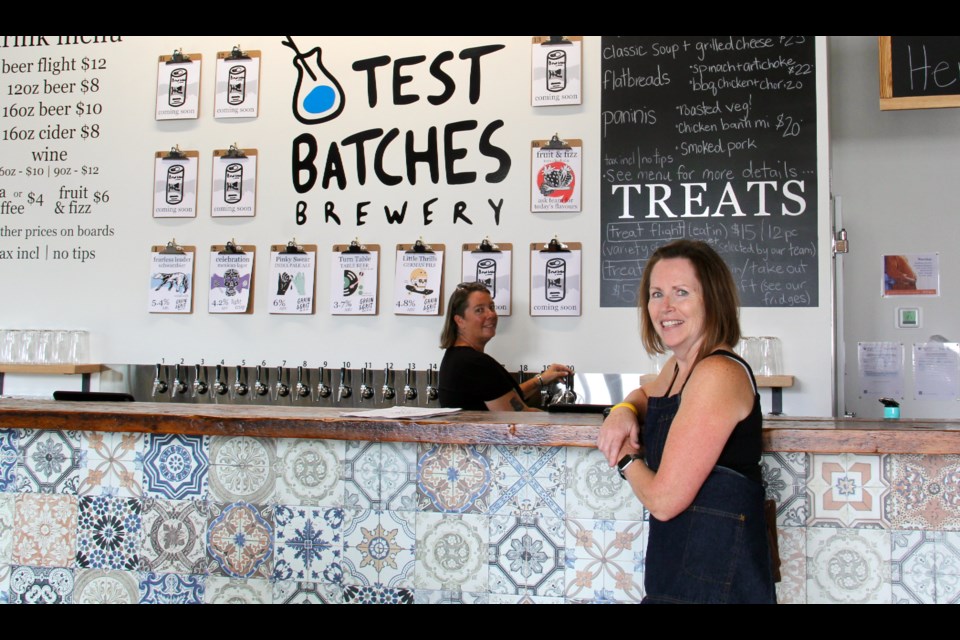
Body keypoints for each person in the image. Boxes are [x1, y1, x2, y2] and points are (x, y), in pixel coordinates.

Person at [596, 239, 776, 604]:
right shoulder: (679, 367)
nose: (666, 307)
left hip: (718, 584)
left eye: (681, 292)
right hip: (681, 573)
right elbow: (646, 395)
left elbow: (664, 500)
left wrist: (626, 458)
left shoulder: (717, 373)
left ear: (712, 299)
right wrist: (622, 411)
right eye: (656, 293)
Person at [438, 281, 572, 411]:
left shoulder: (457, 357)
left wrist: (540, 380)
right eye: (479, 310)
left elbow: (504, 398)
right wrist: (564, 422)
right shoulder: (475, 363)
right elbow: (518, 417)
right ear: (459, 320)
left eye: (491, 307)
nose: (491, 314)